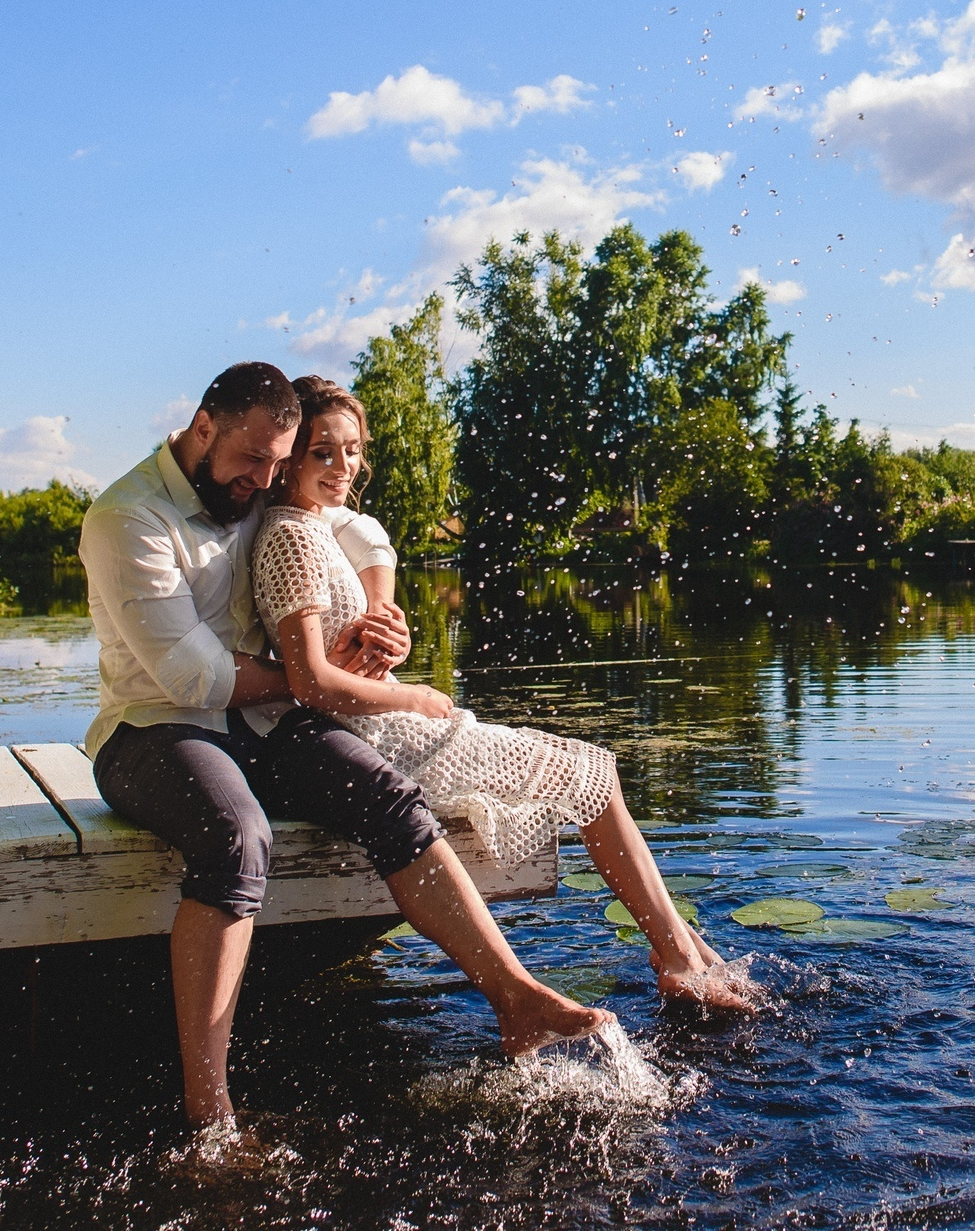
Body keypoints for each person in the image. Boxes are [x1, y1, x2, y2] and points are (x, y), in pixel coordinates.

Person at [81, 361, 607, 1135]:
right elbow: (192, 676)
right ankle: (210, 1114)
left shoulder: (254, 488)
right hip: (153, 727)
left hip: (260, 718)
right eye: (251, 460)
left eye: (274, 463)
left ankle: (516, 997)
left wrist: (382, 607)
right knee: (236, 836)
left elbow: (350, 523)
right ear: (202, 429)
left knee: (391, 793)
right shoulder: (128, 516)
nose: (263, 479)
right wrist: (313, 678)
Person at [254, 375, 757, 1009]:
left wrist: (386, 635)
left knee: (595, 774)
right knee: (595, 776)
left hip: (383, 725)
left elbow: (355, 583)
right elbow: (309, 682)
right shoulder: (292, 538)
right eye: (323, 452)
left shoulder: (319, 526)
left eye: (352, 450)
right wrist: (416, 696)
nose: (342, 467)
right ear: (290, 455)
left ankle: (685, 949)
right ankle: (679, 958)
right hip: (380, 735)